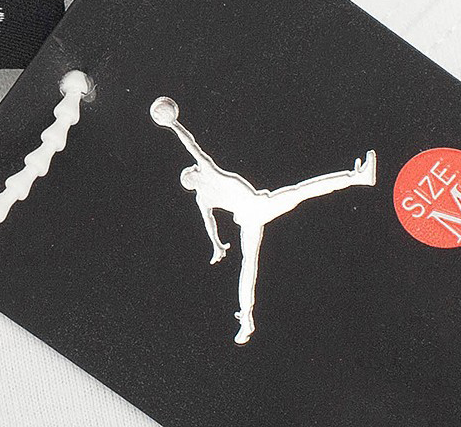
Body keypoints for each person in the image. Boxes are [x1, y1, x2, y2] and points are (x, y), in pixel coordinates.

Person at [150, 96, 377, 345]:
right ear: (192, 178)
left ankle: (246, 320)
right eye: (190, 173)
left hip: (250, 218)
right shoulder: (206, 178)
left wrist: (217, 245)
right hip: (258, 208)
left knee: (249, 265)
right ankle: (357, 178)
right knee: (302, 191)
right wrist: (174, 125)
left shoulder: (203, 193)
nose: (192, 170)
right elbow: (191, 145)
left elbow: (209, 222)